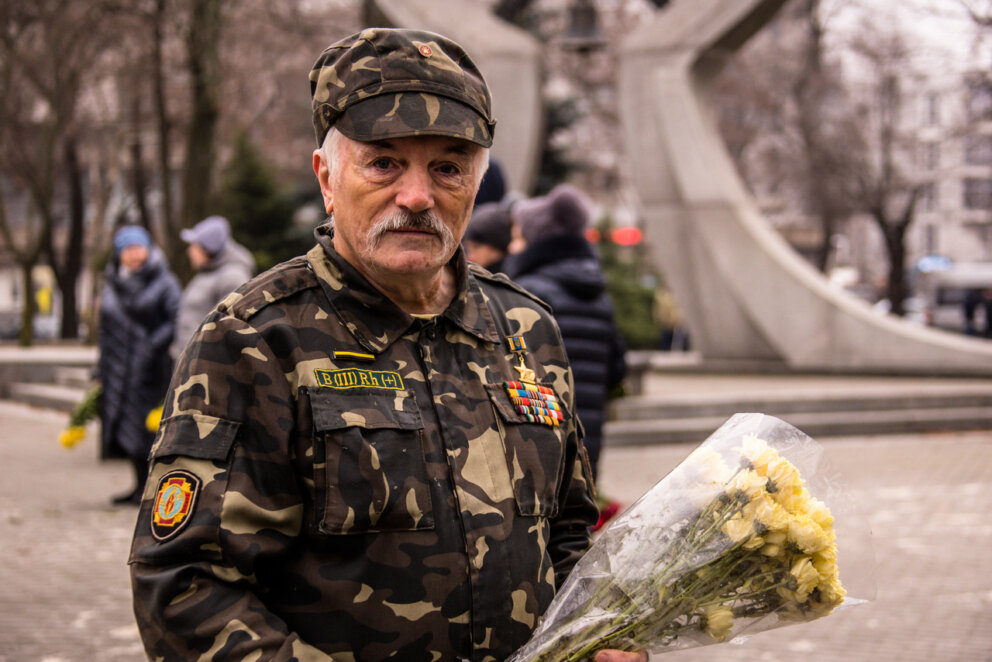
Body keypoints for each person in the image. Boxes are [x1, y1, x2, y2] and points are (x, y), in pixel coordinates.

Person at [128, 28, 645, 662]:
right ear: (327, 175)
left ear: (477, 185)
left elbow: (566, 536)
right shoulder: (257, 339)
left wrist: (602, 633)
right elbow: (183, 586)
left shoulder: (527, 329)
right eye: (384, 163)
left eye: (448, 167)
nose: (418, 196)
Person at [507, 184, 627, 487]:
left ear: (537, 239)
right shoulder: (598, 293)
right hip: (588, 437)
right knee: (577, 519)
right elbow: (616, 370)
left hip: (537, 440)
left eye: (519, 237)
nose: (513, 246)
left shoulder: (529, 291)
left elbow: (513, 370)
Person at [97, 225, 181, 505]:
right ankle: (137, 486)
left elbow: (174, 319)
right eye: (128, 249)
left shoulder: (163, 280)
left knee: (147, 429)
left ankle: (152, 488)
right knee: (126, 428)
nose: (135, 255)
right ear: (119, 253)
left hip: (150, 368)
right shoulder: (112, 281)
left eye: (139, 247)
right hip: (117, 367)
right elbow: (105, 328)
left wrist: (150, 346)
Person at [168, 215, 256, 361]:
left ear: (208, 248)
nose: (189, 251)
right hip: (190, 364)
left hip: (205, 369)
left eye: (194, 246)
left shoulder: (232, 277)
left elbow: (230, 330)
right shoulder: (206, 273)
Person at [463, 201, 513, 272]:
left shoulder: (516, 278)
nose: (470, 257)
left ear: (496, 249)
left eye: (476, 247)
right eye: (468, 249)